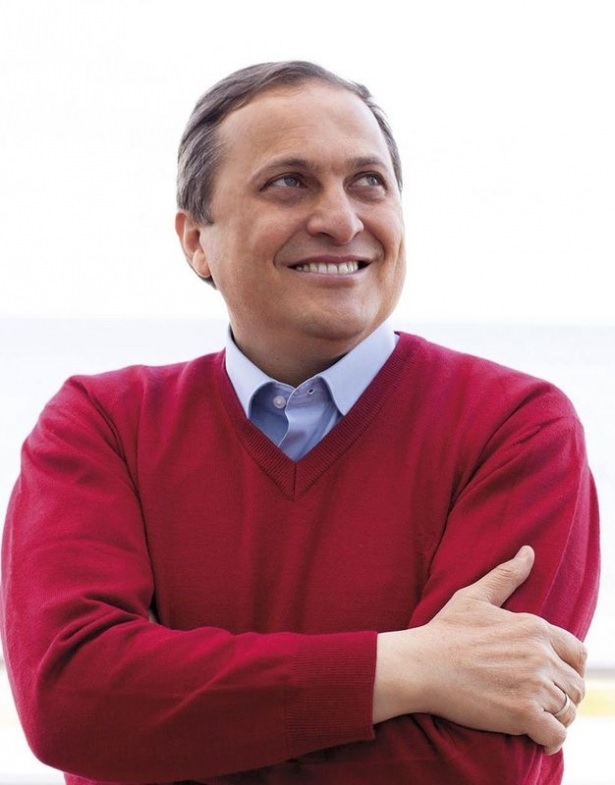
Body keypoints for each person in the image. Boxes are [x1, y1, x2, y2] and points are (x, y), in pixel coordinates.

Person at [0, 61, 600, 785]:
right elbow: (72, 702)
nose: (342, 220)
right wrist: (402, 668)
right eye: (289, 181)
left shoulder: (515, 429)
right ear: (195, 241)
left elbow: (473, 765)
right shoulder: (102, 428)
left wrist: (171, 727)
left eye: (368, 182)